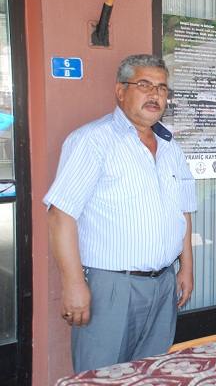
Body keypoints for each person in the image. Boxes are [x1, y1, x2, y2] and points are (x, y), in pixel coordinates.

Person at [44, 54, 197, 372]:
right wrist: (73, 284)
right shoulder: (92, 141)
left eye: (162, 88)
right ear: (120, 91)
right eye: (144, 85)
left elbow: (182, 211)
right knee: (101, 374)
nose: (155, 95)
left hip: (163, 284)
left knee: (150, 372)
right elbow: (61, 215)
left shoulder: (171, 147)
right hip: (111, 287)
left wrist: (186, 268)